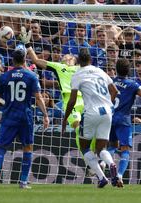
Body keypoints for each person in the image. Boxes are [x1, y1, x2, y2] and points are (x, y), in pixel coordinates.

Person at [27, 46, 103, 175]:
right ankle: (89, 162)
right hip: (70, 102)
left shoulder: (82, 69)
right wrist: (28, 46)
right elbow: (36, 60)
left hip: (86, 101)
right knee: (78, 128)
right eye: (65, 56)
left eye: (70, 56)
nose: (67, 57)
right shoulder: (57, 66)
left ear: (75, 60)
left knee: (96, 129)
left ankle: (94, 157)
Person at [0, 47, 49, 189]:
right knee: (27, 147)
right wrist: (45, 115)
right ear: (25, 59)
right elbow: (38, 98)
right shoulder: (31, 76)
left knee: (1, 147)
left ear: (12, 60)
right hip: (25, 116)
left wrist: (5, 103)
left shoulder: (4, 77)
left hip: (9, 116)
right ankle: (23, 182)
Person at [61, 48, 119, 188]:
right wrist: (109, 104)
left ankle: (101, 177)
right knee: (101, 148)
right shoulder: (100, 71)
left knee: (85, 147)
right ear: (91, 60)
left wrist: (65, 119)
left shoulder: (77, 74)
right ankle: (111, 164)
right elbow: (115, 91)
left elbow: (72, 100)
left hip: (91, 112)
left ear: (78, 61)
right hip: (107, 112)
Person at [108, 58, 141, 187]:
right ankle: (119, 176)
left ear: (116, 69)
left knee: (112, 146)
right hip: (123, 119)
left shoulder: (110, 81)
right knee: (125, 149)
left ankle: (103, 165)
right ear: (129, 70)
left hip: (109, 117)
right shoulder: (132, 84)